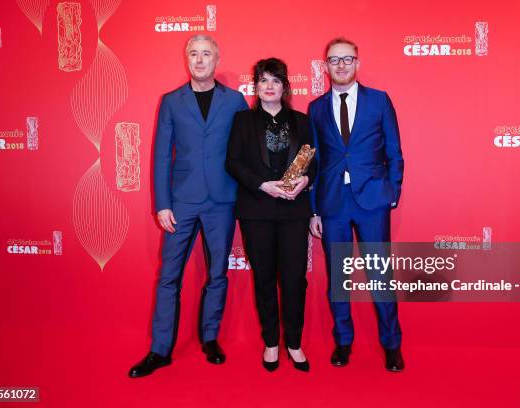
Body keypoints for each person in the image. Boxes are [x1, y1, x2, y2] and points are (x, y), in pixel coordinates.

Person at [129, 35, 248, 378]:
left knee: (217, 274)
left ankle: (210, 338)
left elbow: (244, 150)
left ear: (217, 59)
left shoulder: (236, 101)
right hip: (180, 202)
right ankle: (160, 349)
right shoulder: (170, 101)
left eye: (206, 54)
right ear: (187, 60)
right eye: (193, 54)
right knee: (169, 276)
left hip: (222, 201)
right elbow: (162, 155)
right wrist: (162, 204)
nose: (199, 60)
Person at [308, 38, 405, 372]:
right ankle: (343, 342)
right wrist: (314, 209)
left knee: (380, 276)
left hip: (372, 201)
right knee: (339, 278)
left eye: (347, 59)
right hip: (333, 202)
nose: (341, 65)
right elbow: (314, 160)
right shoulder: (316, 108)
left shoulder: (379, 101)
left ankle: (392, 345)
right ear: (325, 66)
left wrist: (393, 191)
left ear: (358, 63)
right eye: (334, 60)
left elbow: (394, 150)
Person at [226, 58, 315, 372]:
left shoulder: (302, 121)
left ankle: (294, 342)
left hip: (294, 211)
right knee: (264, 279)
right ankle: (271, 343)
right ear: (256, 86)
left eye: (275, 81)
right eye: (263, 80)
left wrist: (307, 180)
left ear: (285, 86)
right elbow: (233, 163)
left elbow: (313, 162)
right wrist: (263, 185)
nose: (269, 86)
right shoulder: (242, 122)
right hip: (257, 211)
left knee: (294, 281)